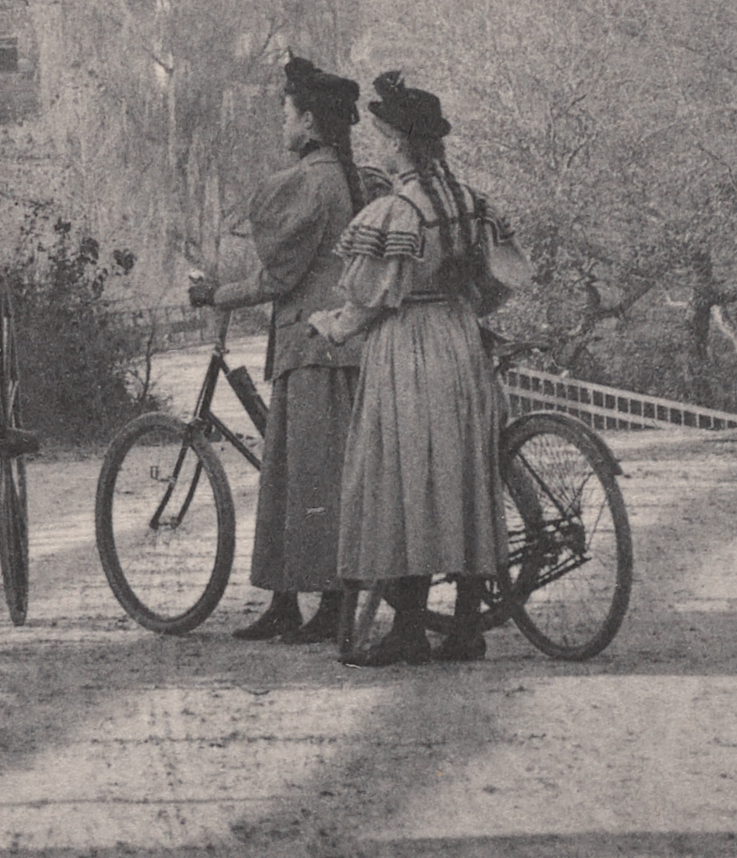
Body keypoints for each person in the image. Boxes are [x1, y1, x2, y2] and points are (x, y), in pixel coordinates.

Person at [306, 69, 513, 664]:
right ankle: (467, 628)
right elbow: (501, 280)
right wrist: (464, 309)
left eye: (384, 137)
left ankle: (408, 632)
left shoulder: (397, 212)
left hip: (408, 349)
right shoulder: (472, 203)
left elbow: (369, 299)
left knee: (404, 479)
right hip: (460, 342)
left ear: (398, 143)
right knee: (464, 479)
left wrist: (334, 326)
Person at [195, 55, 368, 643]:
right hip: (325, 348)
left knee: (311, 482)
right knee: (294, 478)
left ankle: (328, 605)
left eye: (286, 112)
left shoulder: (309, 183)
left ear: (310, 121)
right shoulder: (344, 175)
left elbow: (276, 281)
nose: (280, 123)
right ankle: (287, 601)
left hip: (312, 350)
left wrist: (218, 295)